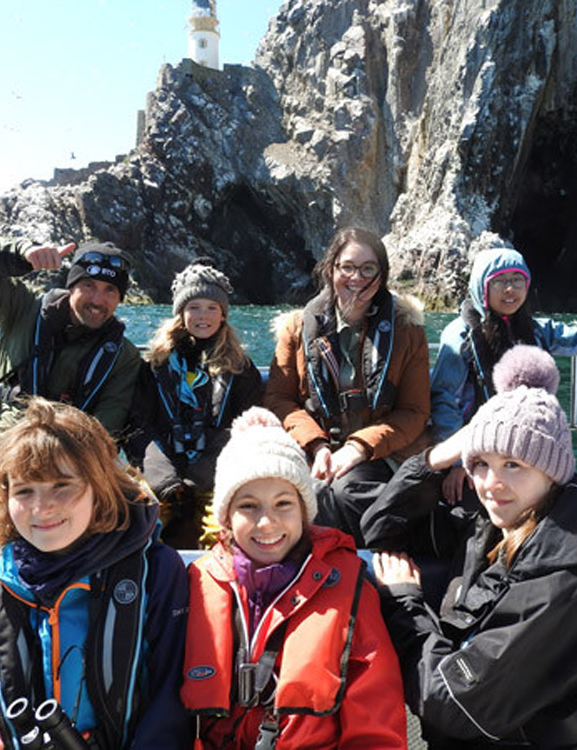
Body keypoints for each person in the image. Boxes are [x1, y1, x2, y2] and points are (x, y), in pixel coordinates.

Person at [369, 345, 577, 749]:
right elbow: (381, 530)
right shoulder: (497, 525)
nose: (491, 483)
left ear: (552, 472)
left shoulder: (562, 586)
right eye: (480, 464)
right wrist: (436, 459)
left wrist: (404, 603)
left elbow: (452, 703)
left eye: (513, 464)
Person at [0, 397, 190, 750]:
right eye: (25, 491)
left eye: (63, 486)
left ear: (100, 488)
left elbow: (172, 702)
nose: (42, 507)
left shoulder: (158, 571)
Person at [181, 406, 407, 748]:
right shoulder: (197, 581)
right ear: (225, 516)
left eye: (283, 503)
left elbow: (376, 715)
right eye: (248, 506)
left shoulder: (347, 584)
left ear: (305, 511)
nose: (267, 522)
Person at [0, 239, 141, 505]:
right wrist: (18, 255)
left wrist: (58, 467)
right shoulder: (21, 308)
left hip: (73, 454)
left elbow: (106, 428)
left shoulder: (125, 356)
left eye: (110, 290)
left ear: (120, 298)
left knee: (114, 514)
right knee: (4, 507)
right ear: (71, 285)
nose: (98, 300)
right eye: (89, 285)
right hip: (3, 440)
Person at [263, 227, 430, 546]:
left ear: (382, 275)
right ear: (331, 269)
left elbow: (415, 411)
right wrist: (317, 445)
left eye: (369, 269)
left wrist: (359, 447)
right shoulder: (297, 329)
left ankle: (369, 567)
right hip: (315, 450)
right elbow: (279, 399)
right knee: (315, 489)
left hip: (383, 453)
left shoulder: (408, 331)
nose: (358, 278)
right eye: (348, 267)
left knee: (345, 489)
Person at [430, 246, 577, 502]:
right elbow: (445, 399)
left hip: (521, 442)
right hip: (479, 446)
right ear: (482, 287)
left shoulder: (532, 329)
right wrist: (458, 462)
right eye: (500, 281)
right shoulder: (459, 336)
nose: (510, 289)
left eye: (517, 280)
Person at [127, 258, 263, 549]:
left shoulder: (240, 368)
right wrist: (165, 480)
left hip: (220, 470)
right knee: (139, 514)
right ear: (180, 313)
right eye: (194, 307)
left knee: (223, 528)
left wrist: (201, 475)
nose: (204, 315)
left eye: (212, 308)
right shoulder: (154, 366)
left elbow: (246, 428)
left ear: (223, 314)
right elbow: (139, 426)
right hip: (162, 470)